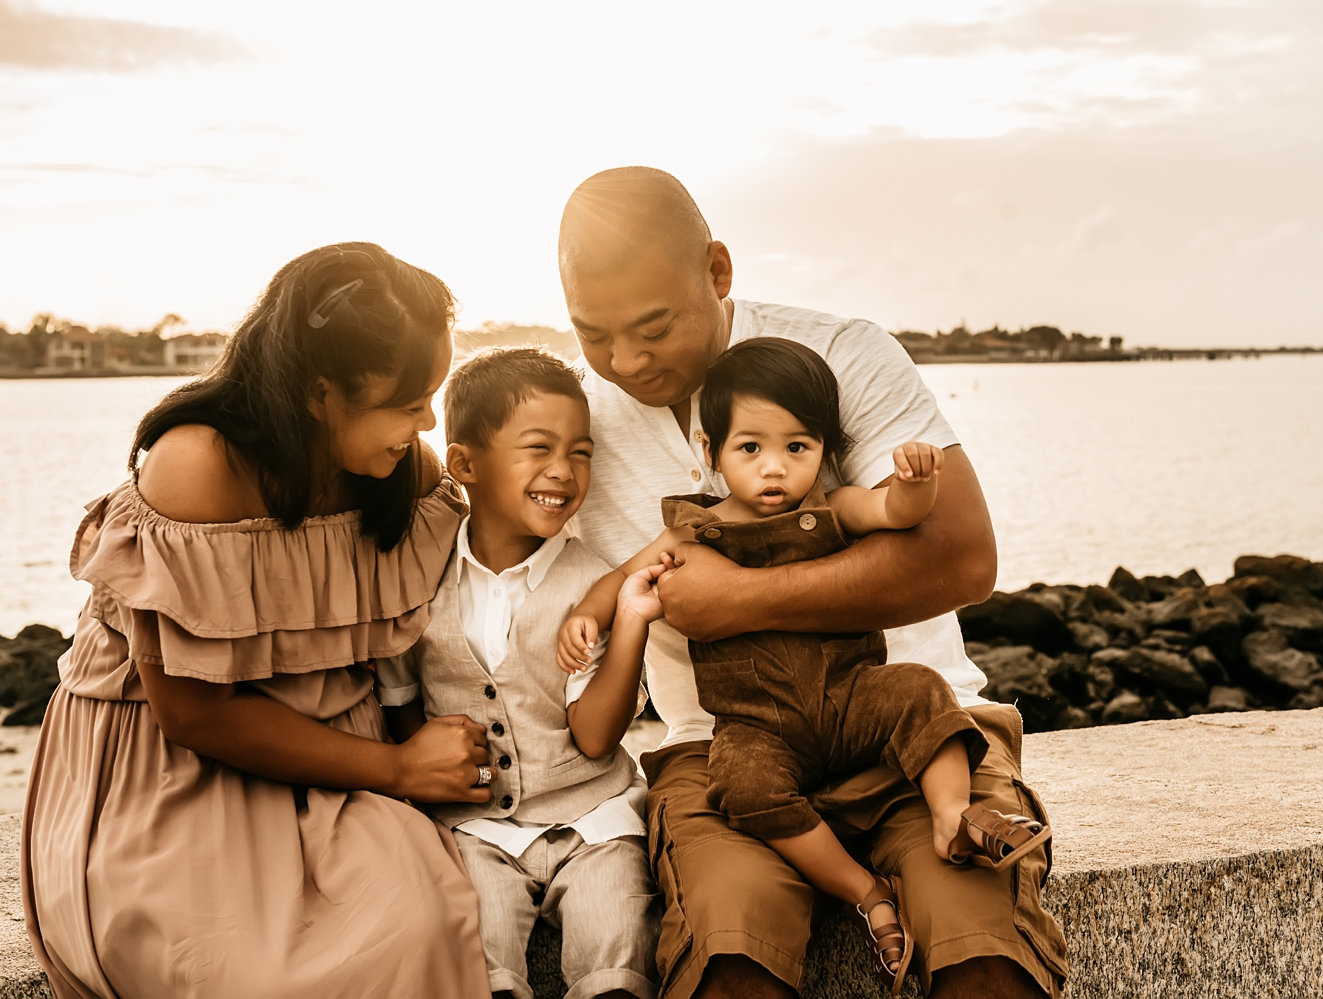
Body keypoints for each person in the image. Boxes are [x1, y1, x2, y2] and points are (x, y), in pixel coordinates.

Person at [558, 167, 1069, 999]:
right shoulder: (577, 418)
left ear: (718, 272)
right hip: (727, 750)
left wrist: (737, 600)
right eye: (593, 334)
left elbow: (964, 557)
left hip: (912, 730)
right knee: (729, 958)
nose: (626, 359)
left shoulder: (841, 355)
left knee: (986, 961)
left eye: (653, 325)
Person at [22, 242, 494, 998]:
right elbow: (191, 716)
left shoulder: (401, 468)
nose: (428, 421)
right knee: (257, 970)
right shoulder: (198, 467)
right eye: (408, 402)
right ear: (320, 393)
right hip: (171, 773)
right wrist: (400, 768)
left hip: (331, 751)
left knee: (421, 923)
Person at [375, 347, 661, 999]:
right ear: (465, 465)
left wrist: (629, 625)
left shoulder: (593, 582)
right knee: (474, 943)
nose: (563, 471)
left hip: (591, 817)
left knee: (617, 925)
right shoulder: (420, 581)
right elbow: (400, 700)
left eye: (581, 451)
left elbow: (595, 737)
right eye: (539, 448)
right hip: (474, 826)